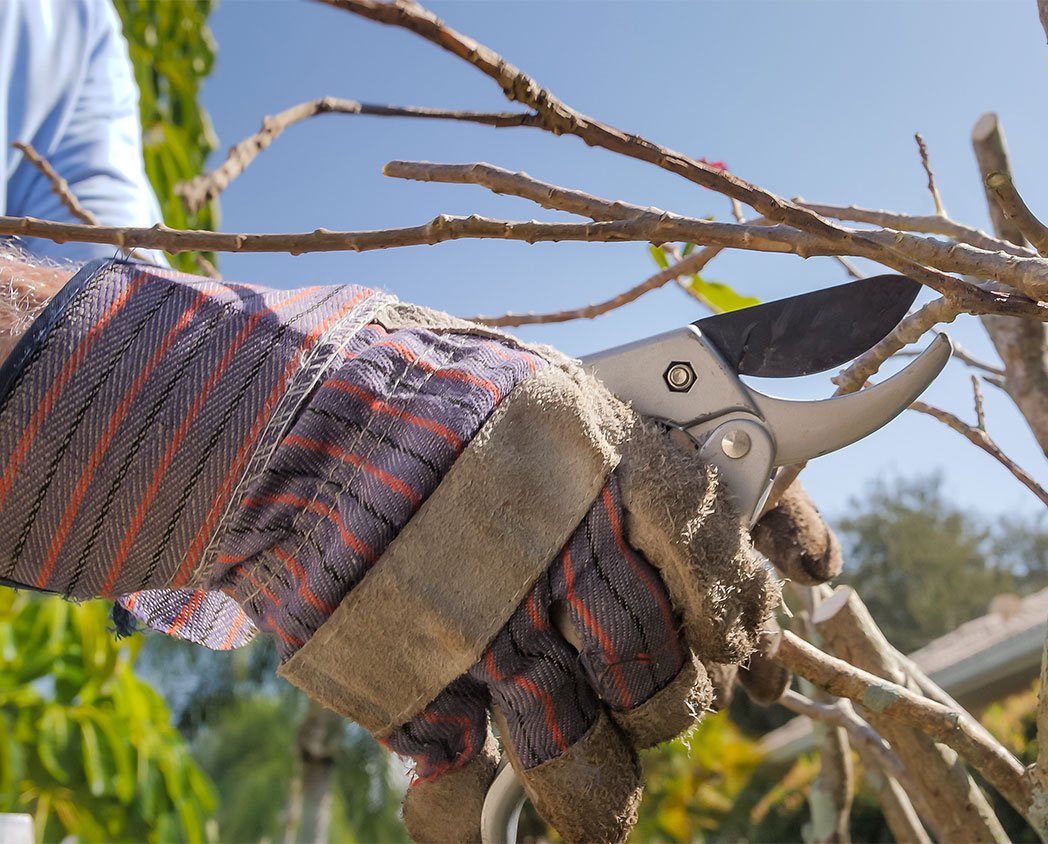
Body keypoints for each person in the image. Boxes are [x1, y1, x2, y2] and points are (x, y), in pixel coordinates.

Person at [1, 3, 783, 841]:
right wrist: (279, 421)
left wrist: (359, 443)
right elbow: (103, 372)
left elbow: (96, 315)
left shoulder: (72, 27)